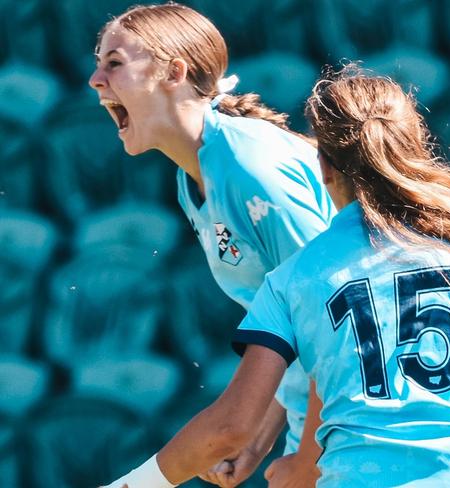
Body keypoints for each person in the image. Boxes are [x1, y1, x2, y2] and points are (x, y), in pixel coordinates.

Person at [100, 67, 450, 488]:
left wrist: (134, 482)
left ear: (323, 167)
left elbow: (231, 428)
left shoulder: (294, 279)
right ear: (415, 146)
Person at [88, 3, 332, 486]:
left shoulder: (251, 166)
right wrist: (259, 438)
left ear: (174, 72)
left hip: (358, 438)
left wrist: (308, 463)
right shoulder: (193, 176)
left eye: (114, 62)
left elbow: (342, 320)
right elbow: (291, 324)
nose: (96, 79)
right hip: (325, 432)